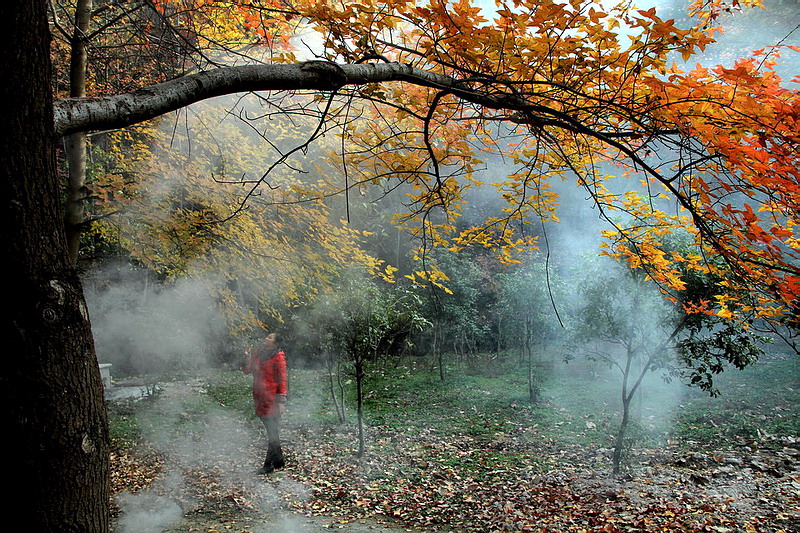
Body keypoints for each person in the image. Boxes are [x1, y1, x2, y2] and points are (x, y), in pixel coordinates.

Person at [244, 331, 288, 474]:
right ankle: (279, 460)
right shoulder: (258, 352)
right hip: (260, 397)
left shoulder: (278, 357)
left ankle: (268, 465)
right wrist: (245, 358)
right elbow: (248, 369)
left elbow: (282, 379)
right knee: (272, 431)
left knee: (272, 432)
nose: (266, 338)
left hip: (272, 400)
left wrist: (281, 401)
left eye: (270, 337)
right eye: (267, 336)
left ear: (275, 343)